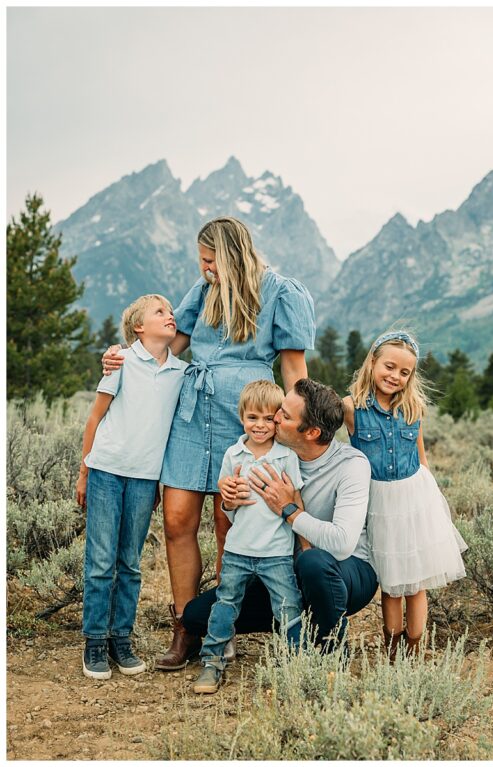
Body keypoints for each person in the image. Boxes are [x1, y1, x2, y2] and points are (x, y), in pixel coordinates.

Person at [102, 216, 315, 670]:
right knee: (178, 518)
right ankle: (184, 628)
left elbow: (295, 369)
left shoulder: (279, 292)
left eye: (208, 259)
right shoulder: (202, 293)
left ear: (230, 254)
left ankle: (223, 626)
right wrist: (121, 357)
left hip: (246, 415)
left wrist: (301, 424)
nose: (203, 269)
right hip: (191, 412)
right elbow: (167, 345)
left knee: (228, 523)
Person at [182, 378, 378, 654]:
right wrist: (231, 503)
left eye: (284, 415)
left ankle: (332, 646)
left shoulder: (351, 465)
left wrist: (290, 510)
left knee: (313, 563)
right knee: (196, 615)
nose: (274, 417)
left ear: (310, 432)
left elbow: (343, 544)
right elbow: (251, 518)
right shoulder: (269, 456)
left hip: (345, 572)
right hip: (282, 568)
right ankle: (299, 625)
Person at [76, 295, 187, 679]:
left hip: (144, 479)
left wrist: (158, 481)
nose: (169, 315)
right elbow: (95, 417)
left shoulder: (180, 372)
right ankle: (94, 640)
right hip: (106, 470)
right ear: (139, 326)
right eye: (160, 312)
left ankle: (120, 638)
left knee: (129, 563)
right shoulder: (121, 360)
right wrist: (84, 471)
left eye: (171, 311)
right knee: (101, 561)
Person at [344, 331, 468, 660]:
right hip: (379, 502)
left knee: (416, 580)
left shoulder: (413, 407)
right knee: (391, 579)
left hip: (414, 499)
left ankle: (415, 646)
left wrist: (434, 503)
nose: (395, 376)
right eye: (389, 366)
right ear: (372, 362)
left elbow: (422, 459)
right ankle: (392, 644)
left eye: (404, 372)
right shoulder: (351, 408)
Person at [193, 381, 306, 693]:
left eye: (269, 418)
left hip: (277, 552)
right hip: (238, 550)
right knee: (225, 603)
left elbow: (295, 502)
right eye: (253, 417)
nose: (260, 425)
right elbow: (229, 507)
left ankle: (297, 662)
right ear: (242, 416)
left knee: (288, 606)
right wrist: (228, 500)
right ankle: (212, 661)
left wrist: (303, 545)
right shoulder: (234, 454)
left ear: (278, 420)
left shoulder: (286, 457)